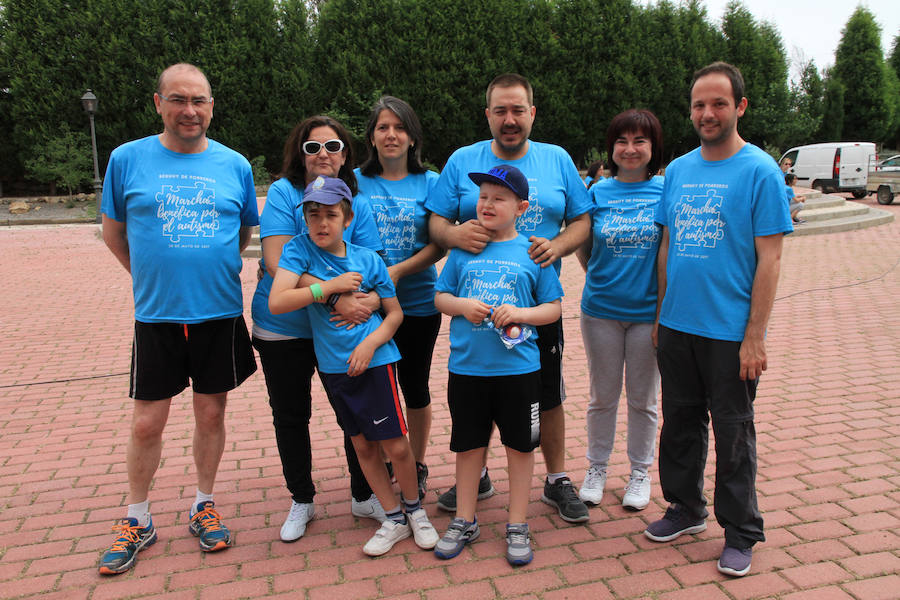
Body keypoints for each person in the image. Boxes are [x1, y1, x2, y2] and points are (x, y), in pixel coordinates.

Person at [98, 63, 259, 575]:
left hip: (218, 313)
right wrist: (149, 276)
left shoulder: (235, 164)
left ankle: (203, 504)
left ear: (211, 105)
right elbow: (113, 232)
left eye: (200, 101)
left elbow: (240, 238)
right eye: (178, 100)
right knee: (147, 423)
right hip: (158, 316)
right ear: (158, 102)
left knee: (211, 415)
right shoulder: (127, 160)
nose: (190, 111)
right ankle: (137, 517)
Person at [645, 62, 792, 578]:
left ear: (740, 107)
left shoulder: (761, 172)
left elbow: (770, 258)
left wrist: (755, 336)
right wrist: (662, 314)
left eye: (719, 104)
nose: (707, 113)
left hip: (730, 333)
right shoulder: (680, 170)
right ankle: (685, 508)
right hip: (679, 326)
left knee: (733, 434)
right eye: (699, 105)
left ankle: (741, 531)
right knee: (680, 424)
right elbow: (666, 245)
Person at [427, 73, 592, 524]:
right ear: (487, 114)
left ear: (532, 113)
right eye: (500, 110)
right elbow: (435, 223)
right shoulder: (464, 159)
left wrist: (558, 247)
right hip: (477, 309)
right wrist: (454, 234)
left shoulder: (556, 159)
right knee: (477, 390)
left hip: (531, 303)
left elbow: (583, 220)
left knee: (546, 394)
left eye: (518, 109)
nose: (509, 119)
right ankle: (476, 474)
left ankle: (556, 480)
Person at [268, 176, 439, 557]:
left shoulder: (368, 259)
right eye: (313, 215)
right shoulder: (298, 252)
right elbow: (277, 302)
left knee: (395, 445)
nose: (321, 223)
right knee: (362, 446)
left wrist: (369, 344)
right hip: (334, 368)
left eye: (331, 214)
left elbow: (395, 314)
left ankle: (415, 511)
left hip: (376, 362)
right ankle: (393, 518)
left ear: (348, 218)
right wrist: (327, 288)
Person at [250, 115, 386, 543]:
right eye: (312, 147)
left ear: (346, 154)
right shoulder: (282, 194)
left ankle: (364, 493)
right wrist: (331, 292)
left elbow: (369, 267)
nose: (323, 154)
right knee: (291, 415)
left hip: (341, 329)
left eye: (332, 146)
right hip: (284, 327)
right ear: (299, 153)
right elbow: (275, 262)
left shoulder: (355, 201)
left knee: (356, 414)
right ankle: (302, 498)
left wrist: (363, 301)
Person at [432, 165, 563, 566]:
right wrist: (463, 306)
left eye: (499, 198)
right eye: (483, 196)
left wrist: (522, 313)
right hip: (468, 371)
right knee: (469, 446)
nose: (487, 204)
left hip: (519, 373)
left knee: (520, 448)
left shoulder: (532, 253)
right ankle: (464, 519)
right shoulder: (463, 250)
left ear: (521, 207)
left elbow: (554, 307)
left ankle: (518, 523)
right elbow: (441, 297)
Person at [355, 96, 445, 499]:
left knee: (415, 387)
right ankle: (384, 464)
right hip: (368, 308)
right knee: (375, 387)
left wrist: (393, 273)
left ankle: (418, 462)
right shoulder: (355, 181)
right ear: (372, 137)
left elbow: (440, 243)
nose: (391, 135)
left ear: (412, 137)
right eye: (382, 127)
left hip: (418, 304)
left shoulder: (432, 183)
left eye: (399, 127)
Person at [575, 109, 664, 511]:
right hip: (601, 311)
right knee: (602, 396)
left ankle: (640, 472)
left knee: (643, 400)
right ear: (611, 148)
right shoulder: (596, 193)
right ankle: (596, 468)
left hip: (648, 314)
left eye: (639, 141)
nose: (630, 149)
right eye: (622, 141)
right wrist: (601, 276)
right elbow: (584, 246)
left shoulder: (666, 191)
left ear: (652, 148)